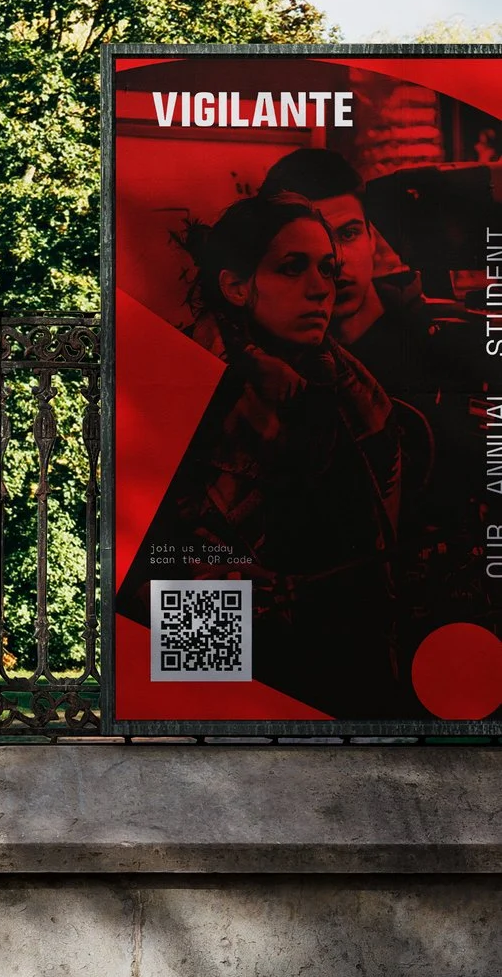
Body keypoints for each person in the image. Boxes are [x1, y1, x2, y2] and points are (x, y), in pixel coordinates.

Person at [122, 195, 425, 717]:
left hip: (353, 668)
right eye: (292, 268)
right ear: (237, 286)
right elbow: (142, 574)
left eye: (327, 270)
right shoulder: (178, 388)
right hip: (234, 676)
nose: (320, 288)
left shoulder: (355, 392)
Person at [259, 147, 486, 619]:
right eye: (310, 246)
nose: (335, 262)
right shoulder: (259, 373)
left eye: (348, 234)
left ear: (373, 241)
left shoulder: (452, 342)